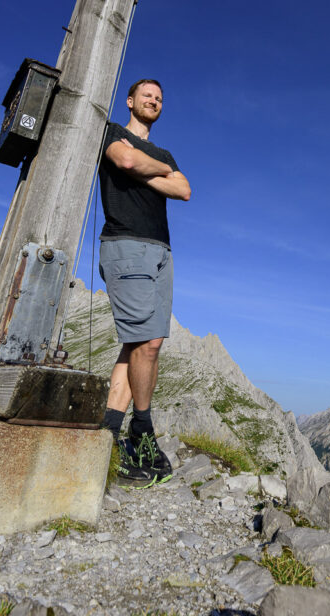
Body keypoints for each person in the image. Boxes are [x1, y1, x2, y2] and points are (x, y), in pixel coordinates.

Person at [98, 78, 191, 486]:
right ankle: (141, 430)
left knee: (139, 343)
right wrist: (153, 171)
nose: (153, 100)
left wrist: (151, 168)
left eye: (159, 98)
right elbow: (125, 161)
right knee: (148, 343)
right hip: (127, 244)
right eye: (147, 95)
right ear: (130, 101)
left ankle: (106, 436)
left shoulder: (164, 154)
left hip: (160, 252)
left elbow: (183, 189)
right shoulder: (111, 132)